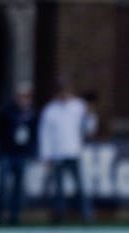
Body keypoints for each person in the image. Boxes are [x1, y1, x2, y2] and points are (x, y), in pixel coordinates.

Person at [38, 78, 94, 224]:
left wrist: (90, 115)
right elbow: (45, 135)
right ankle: (59, 216)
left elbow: (89, 129)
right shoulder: (50, 110)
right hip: (57, 154)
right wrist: (46, 156)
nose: (64, 94)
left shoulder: (79, 106)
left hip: (74, 152)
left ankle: (86, 216)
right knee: (59, 189)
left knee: (80, 187)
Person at [0, 83, 38, 225]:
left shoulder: (31, 114)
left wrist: (31, 151)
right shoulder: (7, 111)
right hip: (7, 153)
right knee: (2, 187)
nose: (24, 99)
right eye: (22, 96)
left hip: (21, 154)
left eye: (27, 97)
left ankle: (14, 218)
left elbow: (33, 135)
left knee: (18, 188)